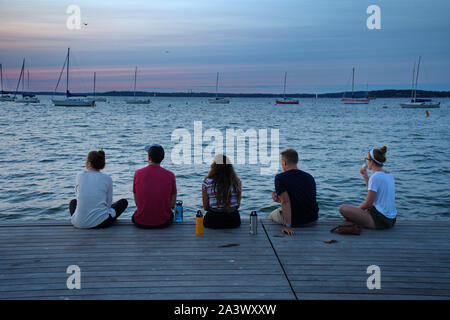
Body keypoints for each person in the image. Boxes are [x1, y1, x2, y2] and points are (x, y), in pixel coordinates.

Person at [339, 146, 397, 229]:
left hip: (380, 220)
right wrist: (365, 175)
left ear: (372, 162)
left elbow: (368, 203)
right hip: (391, 219)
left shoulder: (375, 177)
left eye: (367, 159)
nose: (366, 161)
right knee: (359, 210)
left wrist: (357, 210)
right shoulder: (388, 174)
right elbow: (373, 192)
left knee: (343, 208)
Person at [70, 150, 128, 229]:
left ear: (89, 163)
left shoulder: (79, 176)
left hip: (78, 223)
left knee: (73, 202)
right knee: (123, 202)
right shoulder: (107, 178)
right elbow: (108, 203)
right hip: (101, 223)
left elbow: (79, 196)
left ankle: (82, 218)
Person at [269, 149, 319, 236]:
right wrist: (279, 198)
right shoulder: (309, 177)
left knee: (271, 215)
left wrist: (288, 226)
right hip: (313, 219)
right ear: (296, 161)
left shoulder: (280, 178)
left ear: (284, 163)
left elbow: (285, 202)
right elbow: (302, 198)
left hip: (297, 222)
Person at [132, 144, 177, 228]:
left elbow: (137, 203)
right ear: (162, 158)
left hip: (141, 222)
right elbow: (172, 204)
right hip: (163, 222)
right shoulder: (170, 175)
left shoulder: (137, 173)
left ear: (148, 158)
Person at [202, 154, 242, 229]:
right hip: (233, 221)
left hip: (213, 221)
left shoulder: (207, 182)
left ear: (214, 166)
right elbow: (237, 205)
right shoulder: (237, 182)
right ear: (230, 167)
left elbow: (206, 207)